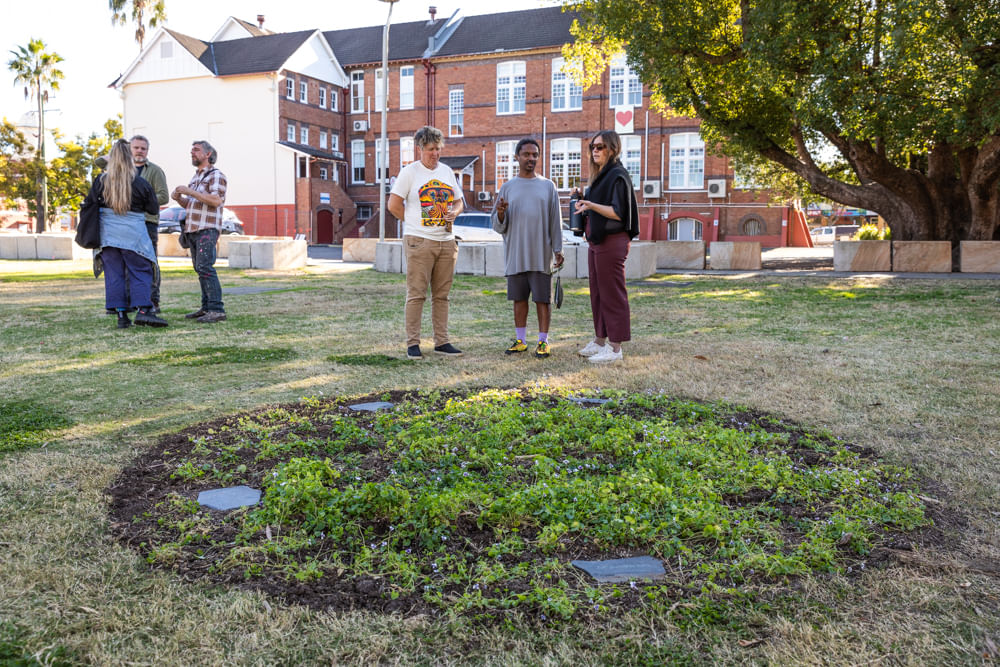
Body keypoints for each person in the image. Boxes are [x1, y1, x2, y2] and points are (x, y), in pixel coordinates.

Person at [388, 126, 465, 360]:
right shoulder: (410, 172)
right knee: (417, 294)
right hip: (419, 241)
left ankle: (442, 342)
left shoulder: (446, 171)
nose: (435, 154)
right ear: (420, 149)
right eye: (431, 149)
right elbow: (393, 205)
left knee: (442, 295)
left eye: (438, 149)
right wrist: (414, 223)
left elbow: (459, 201)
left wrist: (455, 212)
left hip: (446, 241)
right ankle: (413, 344)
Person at [491, 138, 564, 358]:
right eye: (526, 154)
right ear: (517, 157)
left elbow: (555, 220)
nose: (531, 158)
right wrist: (502, 213)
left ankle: (543, 341)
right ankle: (520, 340)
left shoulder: (548, 186)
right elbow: (497, 224)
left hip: (541, 253)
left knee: (543, 299)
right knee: (519, 299)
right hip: (516, 253)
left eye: (535, 155)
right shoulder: (507, 187)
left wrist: (558, 250)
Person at [83, 139, 167, 329]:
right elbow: (153, 209)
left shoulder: (101, 181)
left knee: (114, 274)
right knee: (140, 271)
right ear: (129, 158)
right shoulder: (139, 182)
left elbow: (90, 203)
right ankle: (144, 310)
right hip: (133, 234)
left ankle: (121, 315)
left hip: (107, 235)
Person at [572, 130, 639, 363]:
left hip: (613, 241)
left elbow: (618, 213)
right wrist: (584, 198)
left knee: (612, 293)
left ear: (613, 148)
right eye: (592, 147)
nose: (595, 151)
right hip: (597, 241)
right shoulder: (601, 176)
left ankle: (615, 348)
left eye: (600, 147)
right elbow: (598, 206)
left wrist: (590, 204)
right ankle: (600, 340)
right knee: (598, 293)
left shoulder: (617, 175)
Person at [171, 140, 228, 324]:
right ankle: (206, 308)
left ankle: (216, 309)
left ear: (208, 154)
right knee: (200, 268)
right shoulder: (195, 178)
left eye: (196, 150)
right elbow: (191, 205)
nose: (192, 153)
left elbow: (215, 200)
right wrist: (180, 198)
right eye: (191, 150)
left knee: (205, 267)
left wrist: (190, 191)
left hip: (207, 228)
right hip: (193, 229)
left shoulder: (216, 175)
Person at [131, 135, 169, 312]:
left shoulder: (154, 171)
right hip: (127, 223)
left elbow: (163, 196)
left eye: (143, 148)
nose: (139, 151)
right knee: (128, 262)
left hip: (148, 222)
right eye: (136, 147)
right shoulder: (123, 171)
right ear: (130, 149)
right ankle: (131, 301)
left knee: (150, 262)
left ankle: (153, 300)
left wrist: (142, 202)